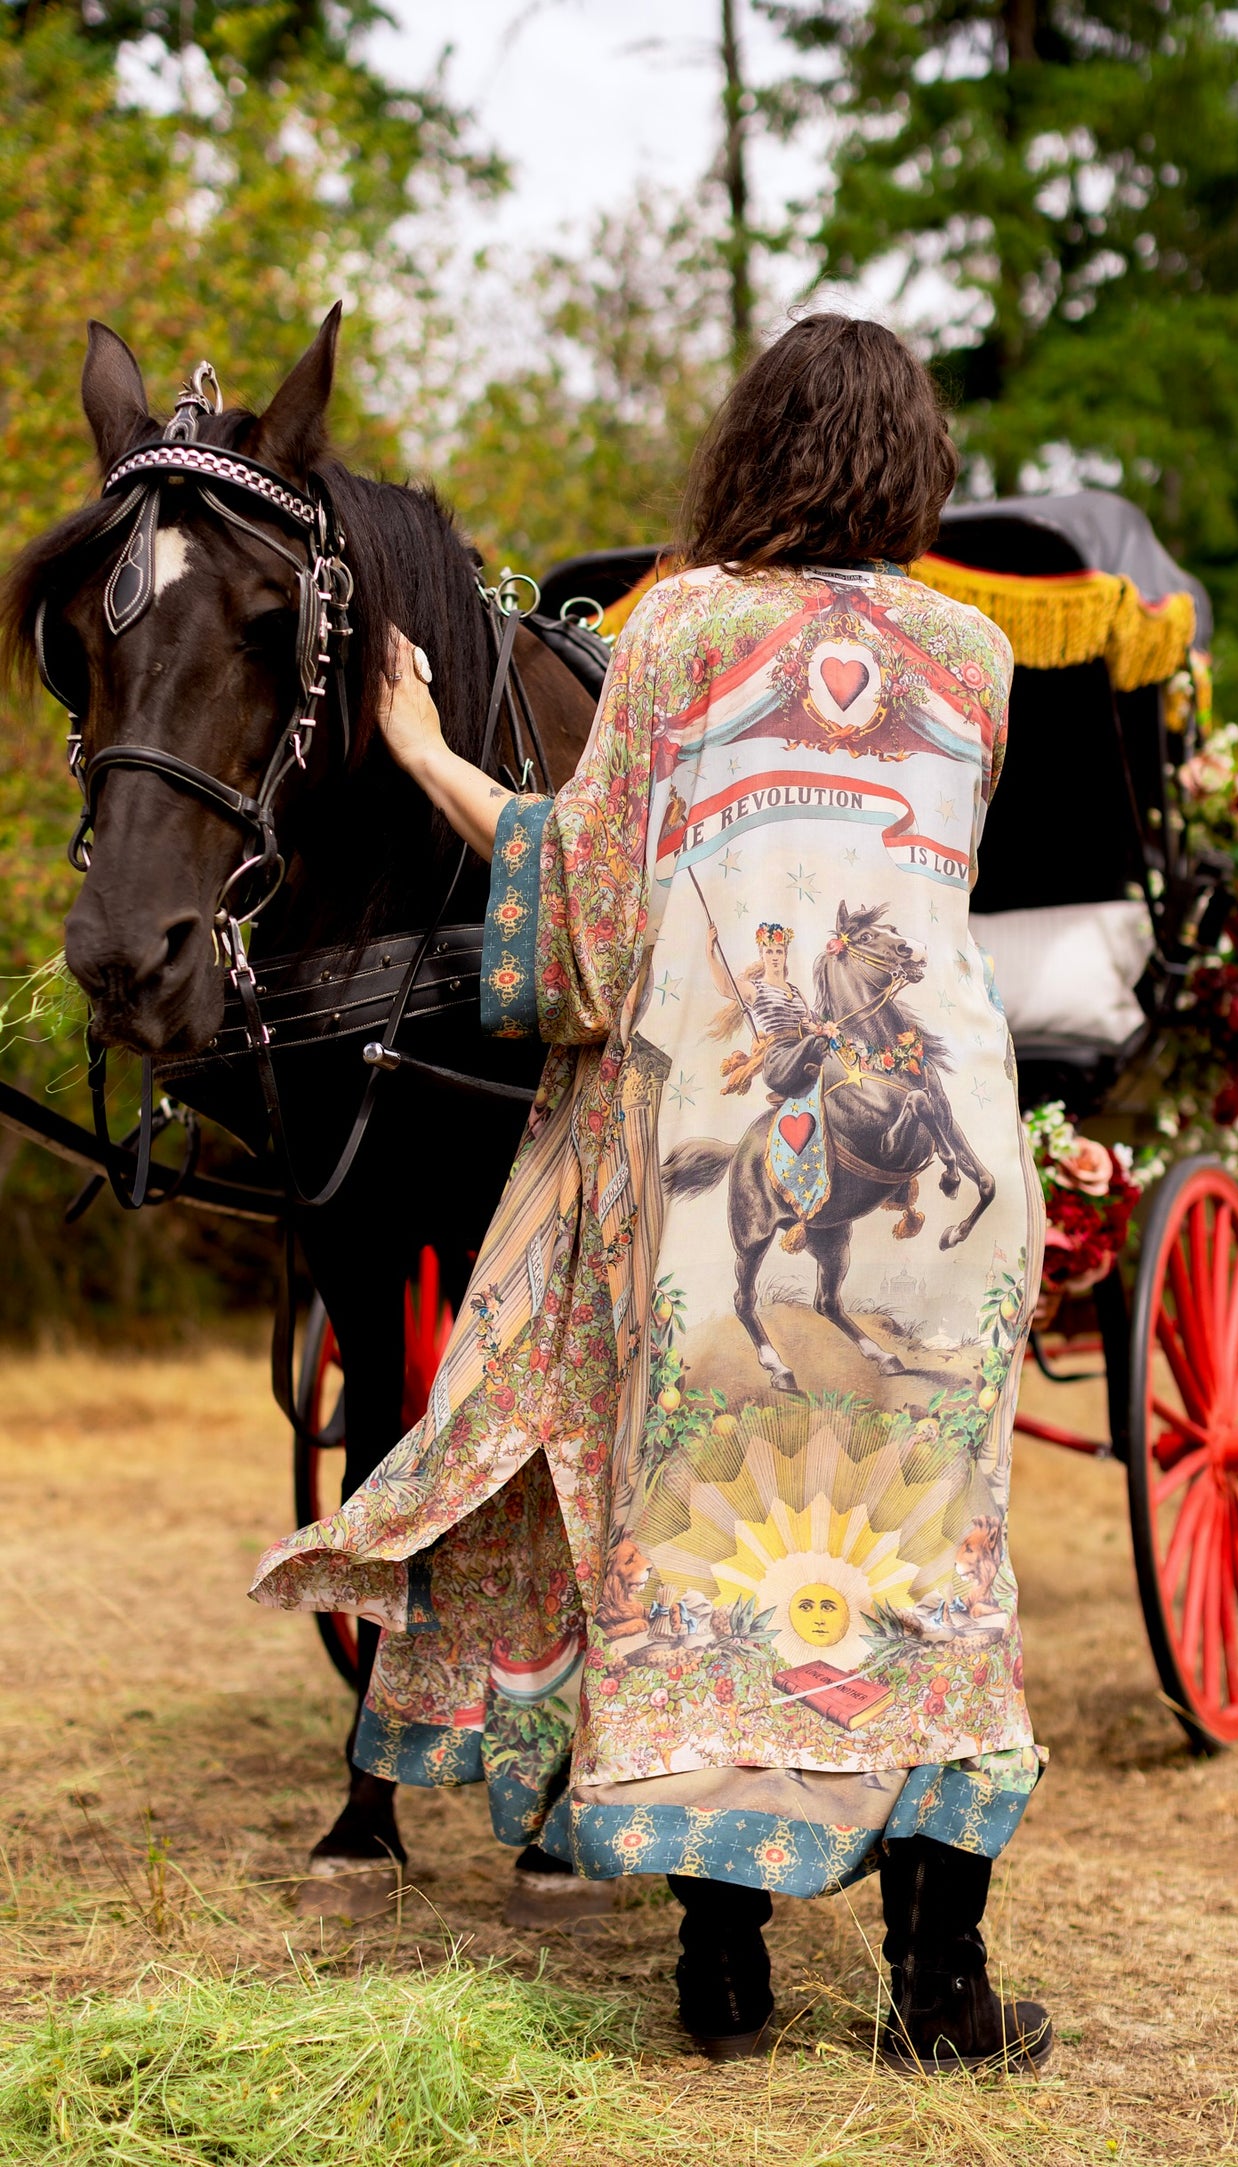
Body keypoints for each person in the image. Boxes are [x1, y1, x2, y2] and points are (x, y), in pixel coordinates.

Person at [252, 315, 1052, 2073]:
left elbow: (599, 925)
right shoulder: (977, 652)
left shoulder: (678, 628)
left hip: (725, 1200)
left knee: (696, 1556)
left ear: (747, 450)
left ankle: (723, 1975)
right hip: (955, 1175)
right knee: (932, 1561)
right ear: (915, 469)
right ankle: (940, 1995)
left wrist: (419, 749)